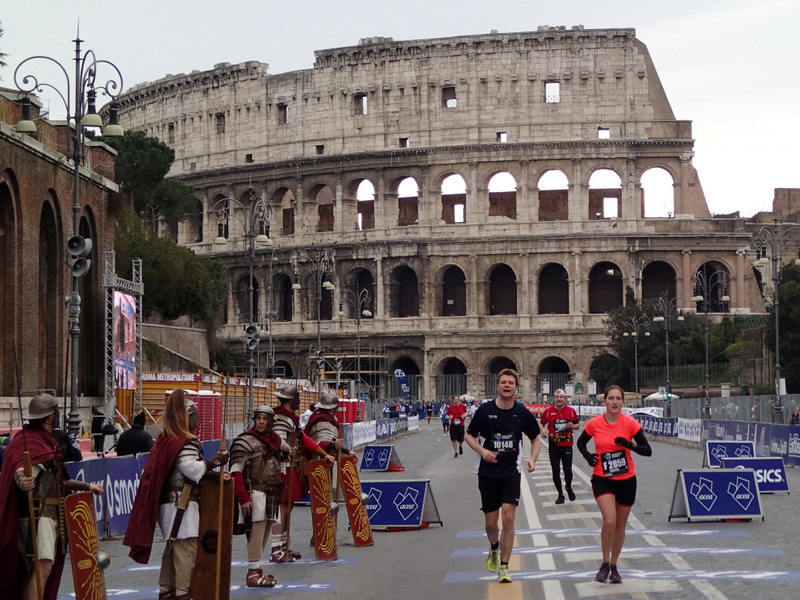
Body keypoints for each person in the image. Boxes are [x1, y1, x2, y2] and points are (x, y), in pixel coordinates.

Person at [123, 389, 229, 600]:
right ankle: (182, 594)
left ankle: (166, 591)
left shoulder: (168, 439)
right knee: (185, 550)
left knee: (172, 549)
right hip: (181, 503)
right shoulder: (185, 440)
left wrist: (212, 475)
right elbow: (192, 469)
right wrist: (215, 461)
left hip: (173, 503)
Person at [0, 393, 103, 600]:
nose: (58, 415)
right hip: (40, 518)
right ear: (50, 416)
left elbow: (59, 481)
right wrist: (23, 480)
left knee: (38, 569)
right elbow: (22, 471)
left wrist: (87, 486)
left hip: (48, 516)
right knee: (42, 568)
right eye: (56, 411)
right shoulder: (31, 442)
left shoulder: (43, 440)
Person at [465, 369, 541, 584]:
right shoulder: (485, 410)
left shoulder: (522, 413)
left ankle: (505, 567)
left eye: (511, 383)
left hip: (511, 472)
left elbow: (535, 439)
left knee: (508, 518)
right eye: (503, 382)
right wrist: (483, 452)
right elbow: (468, 435)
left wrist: (532, 459)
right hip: (487, 473)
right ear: (497, 386)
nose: (507, 386)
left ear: (516, 388)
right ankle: (493, 548)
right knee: (491, 524)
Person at [576, 384, 652, 585]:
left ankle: (615, 565)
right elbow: (581, 442)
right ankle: (604, 562)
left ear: (623, 402)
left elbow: (647, 450)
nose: (615, 402)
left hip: (627, 479)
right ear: (604, 401)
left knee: (620, 525)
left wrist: (629, 445)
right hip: (603, 477)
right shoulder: (594, 423)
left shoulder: (630, 424)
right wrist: (587, 456)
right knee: (609, 520)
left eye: (618, 398)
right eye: (611, 398)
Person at [270, 384, 334, 562]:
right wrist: (288, 450)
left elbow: (303, 439)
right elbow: (277, 440)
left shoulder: (291, 418)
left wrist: (323, 453)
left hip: (291, 467)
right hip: (281, 467)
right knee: (282, 507)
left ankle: (284, 546)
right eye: (297, 397)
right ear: (292, 399)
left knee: (287, 507)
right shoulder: (281, 417)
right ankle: (277, 549)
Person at [230, 404, 290, 588]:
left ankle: (257, 570)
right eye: (258, 418)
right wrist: (243, 498)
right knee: (255, 535)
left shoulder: (275, 440)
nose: (261, 422)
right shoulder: (246, 441)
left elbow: (287, 450)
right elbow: (236, 471)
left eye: (265, 419)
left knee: (264, 534)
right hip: (255, 494)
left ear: (271, 422)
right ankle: (253, 573)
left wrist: (289, 451)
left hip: (272, 494)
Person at [540, 388, 580, 504]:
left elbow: (577, 425)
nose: (559, 399)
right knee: (555, 470)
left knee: (568, 471)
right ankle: (560, 494)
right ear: (554, 398)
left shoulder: (571, 411)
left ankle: (568, 487)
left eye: (561, 397)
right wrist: (543, 430)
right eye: (557, 397)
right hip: (554, 445)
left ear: (565, 399)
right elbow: (542, 423)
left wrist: (572, 425)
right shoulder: (548, 411)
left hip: (567, 444)